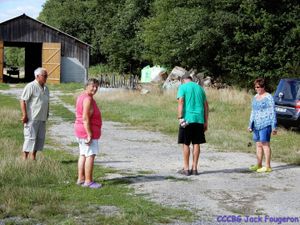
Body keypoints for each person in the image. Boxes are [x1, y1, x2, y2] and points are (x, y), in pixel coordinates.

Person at [177, 72, 209, 176]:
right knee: (196, 143)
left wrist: (180, 117)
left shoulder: (183, 87)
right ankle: (194, 168)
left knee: (186, 143)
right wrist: (205, 121)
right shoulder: (200, 88)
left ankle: (186, 169)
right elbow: (206, 106)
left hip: (187, 119)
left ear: (183, 80)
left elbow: (181, 101)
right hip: (199, 119)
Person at [74, 78, 102, 188]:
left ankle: (81, 178)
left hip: (80, 129)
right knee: (90, 155)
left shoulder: (81, 96)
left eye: (96, 86)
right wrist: (89, 134)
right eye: (92, 86)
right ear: (86, 86)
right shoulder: (88, 99)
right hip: (86, 130)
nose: (95, 89)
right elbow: (85, 118)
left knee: (83, 154)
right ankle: (88, 181)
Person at [248, 78, 277, 173]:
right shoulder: (255, 97)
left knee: (265, 144)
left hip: (266, 124)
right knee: (258, 145)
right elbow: (253, 111)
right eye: (255, 87)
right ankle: (259, 164)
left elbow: (272, 112)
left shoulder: (268, 97)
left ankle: (268, 166)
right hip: (256, 125)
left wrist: (274, 126)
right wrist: (250, 125)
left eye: (258, 87)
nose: (256, 89)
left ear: (263, 87)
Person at [20, 67, 49, 160]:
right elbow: (23, 100)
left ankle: (33, 156)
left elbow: (46, 102)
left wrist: (47, 113)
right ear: (37, 76)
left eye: (46, 76)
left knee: (39, 139)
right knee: (30, 138)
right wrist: (24, 115)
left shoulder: (46, 88)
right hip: (32, 117)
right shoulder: (30, 86)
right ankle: (25, 158)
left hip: (42, 117)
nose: (46, 77)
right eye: (44, 76)